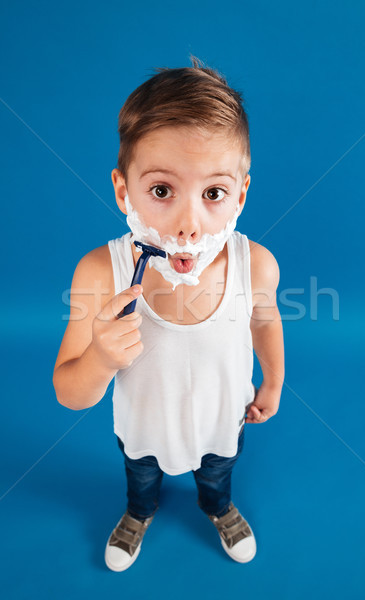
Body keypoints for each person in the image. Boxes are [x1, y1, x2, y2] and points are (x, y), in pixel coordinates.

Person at [53, 55, 285, 572]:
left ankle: (217, 508)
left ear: (241, 195)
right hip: (144, 426)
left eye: (213, 193)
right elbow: (70, 393)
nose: (188, 224)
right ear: (123, 191)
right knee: (141, 479)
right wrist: (100, 358)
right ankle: (139, 513)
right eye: (161, 191)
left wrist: (273, 382)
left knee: (217, 473)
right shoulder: (99, 273)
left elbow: (265, 322)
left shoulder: (256, 265)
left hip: (222, 419)